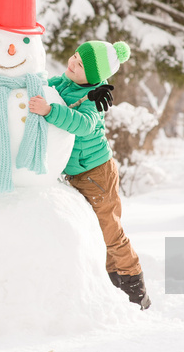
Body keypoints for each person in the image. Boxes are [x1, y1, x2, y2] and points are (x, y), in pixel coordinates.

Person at [28, 40, 151, 310]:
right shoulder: (63, 83)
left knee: (110, 233)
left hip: (96, 173)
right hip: (75, 174)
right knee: (93, 232)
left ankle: (134, 288)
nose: (72, 62)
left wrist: (50, 111)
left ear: (94, 76)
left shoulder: (96, 96)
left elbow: (83, 125)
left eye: (81, 64)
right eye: (74, 56)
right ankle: (108, 284)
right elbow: (41, 86)